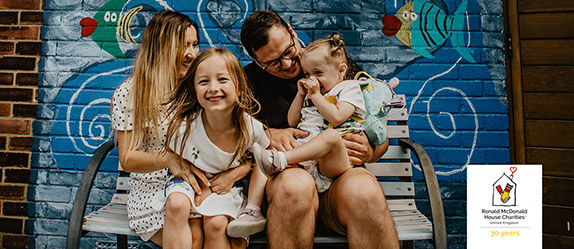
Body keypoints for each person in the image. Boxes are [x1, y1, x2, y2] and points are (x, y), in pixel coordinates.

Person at [240, 10, 400, 249]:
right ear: (256, 62)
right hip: (289, 179)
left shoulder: (330, 60)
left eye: (288, 51)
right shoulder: (247, 82)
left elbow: (378, 132)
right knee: (295, 187)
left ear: (293, 33)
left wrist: (370, 150)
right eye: (272, 63)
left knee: (364, 191)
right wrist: (267, 134)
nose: (286, 64)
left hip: (339, 177)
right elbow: (229, 137)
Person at [111, 10, 247, 249]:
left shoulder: (200, 86)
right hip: (154, 187)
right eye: (183, 45)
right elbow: (128, 157)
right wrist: (169, 160)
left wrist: (231, 175)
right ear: (161, 47)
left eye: (195, 44)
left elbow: (242, 138)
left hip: (204, 184)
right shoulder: (132, 92)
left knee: (217, 231)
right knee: (194, 239)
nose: (192, 54)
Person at [163, 47, 270, 248]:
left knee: (217, 224)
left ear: (238, 86)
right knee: (176, 204)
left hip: (225, 187)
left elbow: (262, 158)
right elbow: (170, 155)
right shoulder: (185, 127)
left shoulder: (250, 128)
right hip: (189, 183)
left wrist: (235, 175)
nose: (213, 88)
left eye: (222, 80)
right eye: (203, 81)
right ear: (194, 89)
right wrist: (192, 176)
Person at [252, 33, 366, 195]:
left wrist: (315, 96)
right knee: (263, 156)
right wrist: (300, 96)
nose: (312, 79)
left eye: (318, 73)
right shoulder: (312, 94)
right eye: (307, 74)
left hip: (333, 160)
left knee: (331, 137)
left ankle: (282, 159)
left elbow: (337, 117)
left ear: (341, 71)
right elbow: (292, 121)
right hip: (307, 161)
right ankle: (252, 209)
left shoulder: (349, 89)